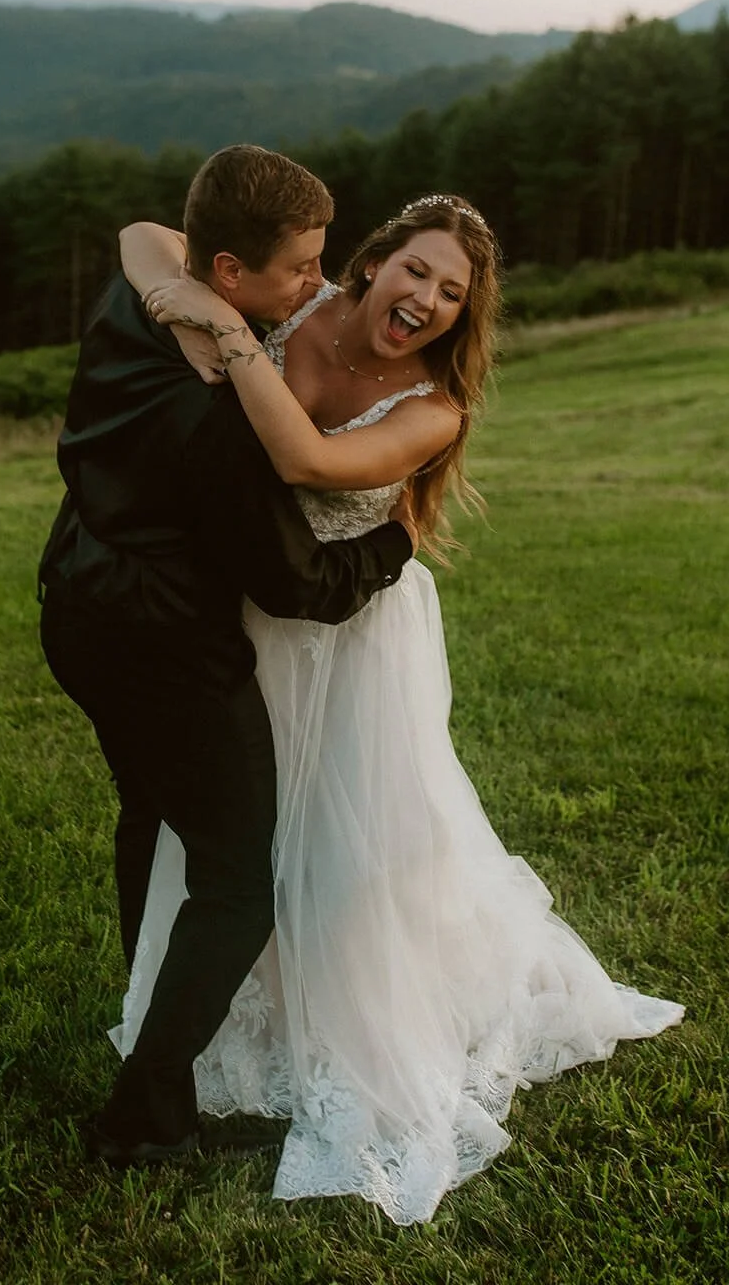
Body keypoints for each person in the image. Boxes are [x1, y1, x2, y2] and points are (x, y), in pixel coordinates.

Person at [117, 193, 684, 1224]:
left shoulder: (432, 407)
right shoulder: (301, 305)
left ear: (465, 315)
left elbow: (308, 464)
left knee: (347, 845)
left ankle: (351, 1015)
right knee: (231, 831)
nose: (424, 298)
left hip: (348, 640)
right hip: (241, 618)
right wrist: (180, 288)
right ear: (369, 262)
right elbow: (145, 237)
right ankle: (206, 1017)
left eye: (451, 292)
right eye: (414, 270)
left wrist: (224, 334)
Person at [38, 145, 418, 1168]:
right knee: (239, 876)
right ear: (228, 276)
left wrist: (181, 287)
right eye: (299, 266)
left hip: (72, 597)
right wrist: (391, 545)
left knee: (147, 809)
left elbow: (144, 241)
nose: (318, 283)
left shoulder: (144, 301)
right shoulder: (223, 412)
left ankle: (144, 1008)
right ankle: (146, 1113)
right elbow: (298, 583)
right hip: (161, 642)